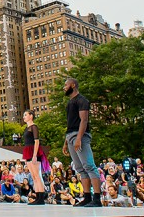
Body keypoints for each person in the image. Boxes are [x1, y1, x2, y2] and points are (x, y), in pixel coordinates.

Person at [61, 78, 102, 207]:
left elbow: (83, 120)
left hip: (80, 136)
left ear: (73, 85)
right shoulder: (69, 102)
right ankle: (87, 197)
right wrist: (66, 142)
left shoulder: (82, 100)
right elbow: (70, 124)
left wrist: (79, 138)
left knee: (89, 165)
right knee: (80, 168)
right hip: (70, 136)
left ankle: (97, 198)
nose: (64, 87)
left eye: (66, 85)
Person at [22, 109, 49, 205]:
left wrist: (34, 155)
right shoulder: (26, 128)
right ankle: (37, 196)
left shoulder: (34, 127)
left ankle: (41, 198)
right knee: (33, 176)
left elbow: (36, 141)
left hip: (34, 151)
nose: (24, 117)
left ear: (31, 116)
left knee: (37, 176)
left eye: (25, 115)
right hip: (28, 151)